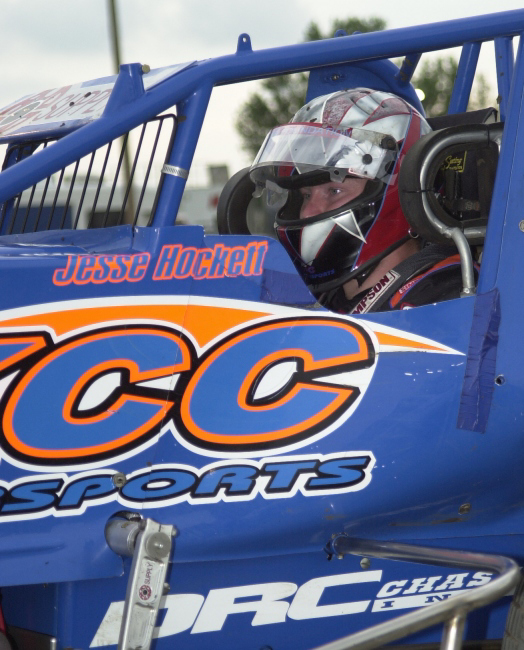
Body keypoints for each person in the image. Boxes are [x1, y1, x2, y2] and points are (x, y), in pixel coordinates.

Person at [249, 88, 471, 314]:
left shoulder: (448, 297)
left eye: (334, 191)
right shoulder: (313, 297)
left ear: (407, 191)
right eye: (306, 195)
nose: (307, 212)